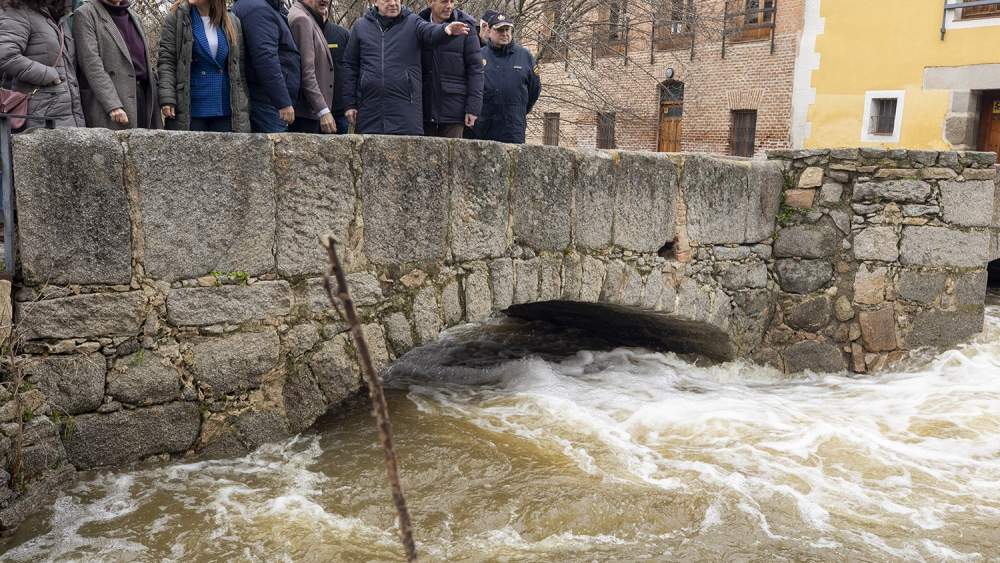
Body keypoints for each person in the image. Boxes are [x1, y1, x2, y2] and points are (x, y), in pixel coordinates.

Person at [341, 0, 469, 136]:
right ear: (375, 2)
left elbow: (429, 31)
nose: (393, 3)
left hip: (406, 115)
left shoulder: (413, 22)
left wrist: (444, 30)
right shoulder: (361, 27)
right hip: (369, 114)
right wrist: (350, 104)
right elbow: (350, 65)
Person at [157, 0, 251, 132]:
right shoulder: (176, 18)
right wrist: (167, 98)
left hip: (226, 109)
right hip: (190, 109)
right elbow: (167, 61)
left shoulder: (232, 21)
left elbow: (239, 70)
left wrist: (244, 106)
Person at [72, 0, 161, 129]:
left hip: (143, 97)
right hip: (113, 103)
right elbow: (92, 65)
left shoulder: (134, 16)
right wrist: (113, 105)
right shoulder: (85, 13)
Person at [0, 0, 84, 128]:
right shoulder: (16, 10)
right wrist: (47, 75)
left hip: (67, 111)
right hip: (41, 114)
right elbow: (5, 55)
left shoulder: (57, 14)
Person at [232, 0, 299, 132]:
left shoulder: (263, 7)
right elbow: (265, 58)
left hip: (268, 99)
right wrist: (282, 102)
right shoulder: (257, 9)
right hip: (267, 101)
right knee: (276, 144)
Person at [418, 0, 481, 138]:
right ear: (430, 2)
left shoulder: (466, 26)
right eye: (444, 1)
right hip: (423, 109)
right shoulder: (418, 24)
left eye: (452, 1)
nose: (449, 6)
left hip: (454, 110)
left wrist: (473, 108)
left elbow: (475, 69)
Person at [474, 11, 540, 144]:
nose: (504, 34)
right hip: (482, 126)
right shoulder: (478, 55)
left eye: (507, 30)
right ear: (489, 31)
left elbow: (534, 90)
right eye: (499, 30)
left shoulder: (525, 56)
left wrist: (518, 110)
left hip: (513, 127)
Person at [288, 0, 334, 133]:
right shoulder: (301, 19)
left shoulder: (308, 16)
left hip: (309, 114)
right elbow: (306, 73)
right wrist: (323, 110)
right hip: (306, 115)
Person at [322, 9, 349, 134]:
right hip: (308, 113)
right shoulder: (301, 30)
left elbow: (352, 68)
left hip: (339, 111)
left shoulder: (341, 34)